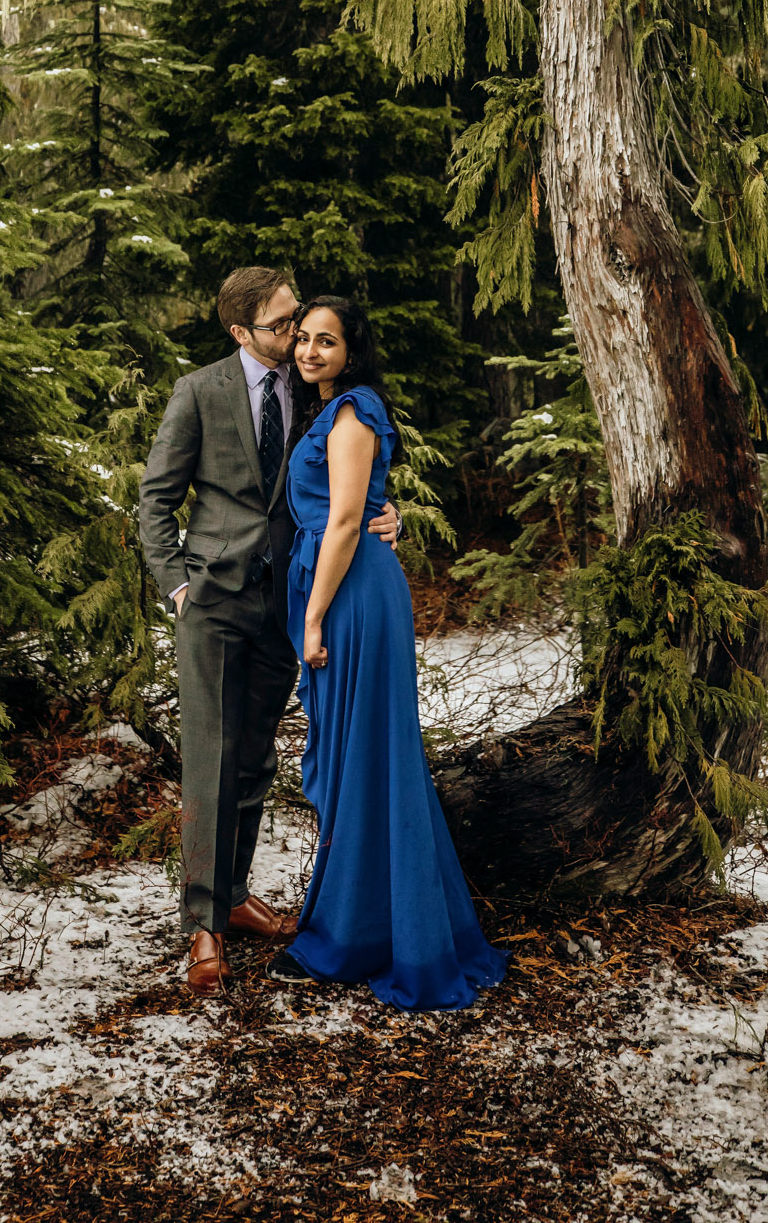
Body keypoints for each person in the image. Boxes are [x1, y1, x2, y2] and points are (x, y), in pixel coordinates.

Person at [138, 267, 403, 996]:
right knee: (209, 763)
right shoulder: (199, 392)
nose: (295, 337)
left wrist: (388, 515)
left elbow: (344, 484)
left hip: (281, 606)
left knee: (254, 761)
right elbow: (154, 500)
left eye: (299, 322)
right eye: (282, 326)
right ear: (240, 333)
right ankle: (203, 928)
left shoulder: (313, 391)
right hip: (214, 603)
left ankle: (234, 898)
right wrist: (179, 586)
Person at [274, 295, 507, 1011]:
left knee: (371, 760)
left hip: (349, 597)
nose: (311, 352)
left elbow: (346, 520)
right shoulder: (332, 410)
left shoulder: (351, 412)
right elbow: (361, 503)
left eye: (327, 342)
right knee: (358, 759)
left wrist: (312, 619)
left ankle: (359, 938)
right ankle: (368, 924)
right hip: (345, 586)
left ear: (352, 351)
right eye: (304, 339)